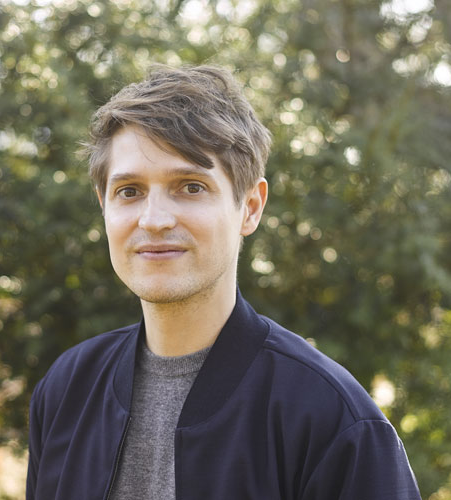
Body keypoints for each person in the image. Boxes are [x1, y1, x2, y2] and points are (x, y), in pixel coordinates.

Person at [26, 65, 421, 500]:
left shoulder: (331, 416)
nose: (154, 220)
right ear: (104, 205)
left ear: (250, 208)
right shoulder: (66, 390)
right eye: (130, 191)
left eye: (191, 187)